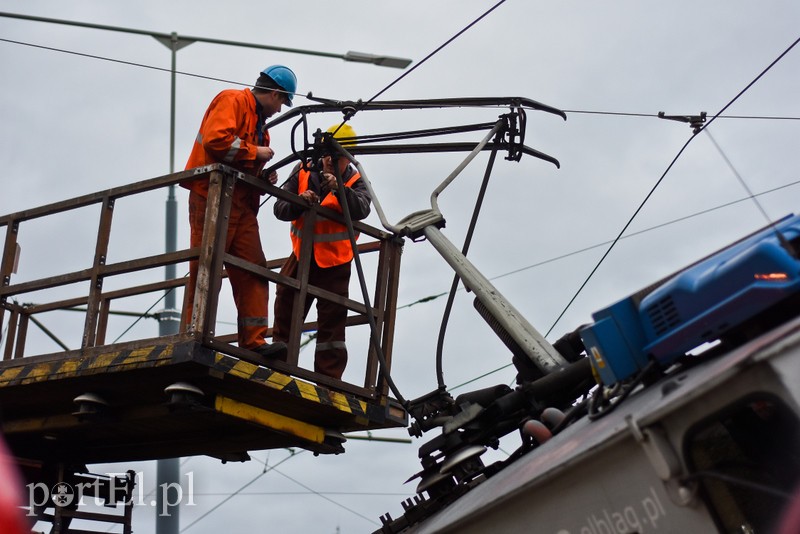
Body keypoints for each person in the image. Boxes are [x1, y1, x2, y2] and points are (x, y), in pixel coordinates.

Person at [182, 65, 297, 359]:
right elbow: (216, 141)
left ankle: (254, 342)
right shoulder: (232, 100)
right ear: (274, 93)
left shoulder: (261, 127)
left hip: (241, 204)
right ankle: (193, 333)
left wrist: (262, 175)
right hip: (211, 195)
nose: (280, 108)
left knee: (253, 269)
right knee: (206, 266)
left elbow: (243, 160)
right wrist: (254, 153)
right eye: (283, 101)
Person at [272, 124, 371, 379]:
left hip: (336, 262)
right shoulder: (303, 170)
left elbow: (361, 208)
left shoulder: (355, 179)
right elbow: (279, 207)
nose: (329, 160)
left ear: (347, 158)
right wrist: (299, 202)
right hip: (301, 255)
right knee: (286, 302)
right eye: (326, 154)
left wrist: (339, 189)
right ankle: (279, 368)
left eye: (335, 157)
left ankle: (328, 381)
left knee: (332, 323)